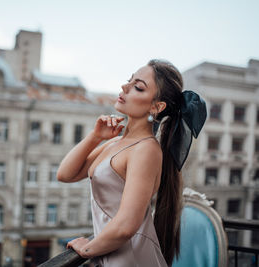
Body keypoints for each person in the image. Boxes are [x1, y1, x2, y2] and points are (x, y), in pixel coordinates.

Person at [57, 59, 206, 266]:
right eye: (129, 80)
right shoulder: (118, 142)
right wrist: (95, 136)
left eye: (137, 87)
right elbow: (65, 174)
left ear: (157, 106)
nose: (124, 87)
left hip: (132, 259)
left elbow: (127, 225)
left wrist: (87, 248)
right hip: (114, 257)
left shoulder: (146, 150)